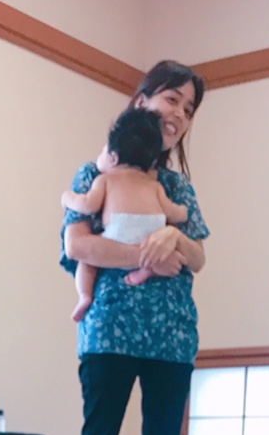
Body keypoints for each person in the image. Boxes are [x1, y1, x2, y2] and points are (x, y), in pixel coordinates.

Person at [60, 62, 209, 435]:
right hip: (109, 331)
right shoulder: (94, 174)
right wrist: (149, 253)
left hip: (172, 337)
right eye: (172, 99)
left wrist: (176, 243)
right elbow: (78, 245)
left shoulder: (176, 185)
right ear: (141, 99)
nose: (179, 114)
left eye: (188, 108)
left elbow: (198, 255)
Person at [61, 108, 189, 323]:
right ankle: (147, 270)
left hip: (119, 234)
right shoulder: (155, 186)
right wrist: (183, 211)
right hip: (151, 236)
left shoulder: (105, 180)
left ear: (113, 156)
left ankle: (84, 296)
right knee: (162, 254)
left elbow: (88, 205)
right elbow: (173, 212)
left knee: (88, 262)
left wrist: (68, 198)